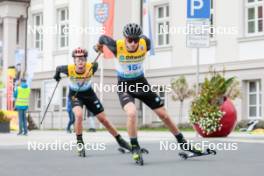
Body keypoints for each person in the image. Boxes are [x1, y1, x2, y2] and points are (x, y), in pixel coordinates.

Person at [96, 23, 202, 161]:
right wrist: (98, 46)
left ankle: (183, 143)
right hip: (124, 85)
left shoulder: (145, 42)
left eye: (136, 40)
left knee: (164, 115)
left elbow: (144, 43)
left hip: (141, 83)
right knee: (132, 113)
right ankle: (134, 147)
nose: (133, 43)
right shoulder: (116, 46)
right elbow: (103, 38)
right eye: (130, 40)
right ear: (125, 38)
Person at [53, 47, 131, 157]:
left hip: (89, 94)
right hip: (75, 95)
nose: (80, 61)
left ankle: (121, 141)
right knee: (79, 115)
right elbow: (58, 68)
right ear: (74, 60)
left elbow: (97, 65)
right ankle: (80, 143)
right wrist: (56, 76)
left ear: (86, 60)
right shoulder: (67, 69)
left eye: (83, 59)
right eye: (78, 59)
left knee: (103, 119)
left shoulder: (92, 66)